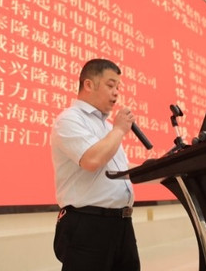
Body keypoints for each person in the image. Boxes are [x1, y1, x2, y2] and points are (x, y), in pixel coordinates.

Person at [51, 58, 140, 271]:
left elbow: (117, 170)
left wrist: (159, 167)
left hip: (122, 223)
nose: (116, 93)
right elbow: (92, 160)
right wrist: (119, 130)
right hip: (88, 224)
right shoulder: (69, 119)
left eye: (118, 87)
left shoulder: (107, 126)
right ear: (89, 84)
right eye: (110, 85)